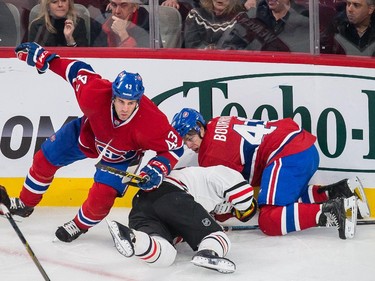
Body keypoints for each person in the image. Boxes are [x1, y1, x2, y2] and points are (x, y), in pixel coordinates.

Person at [8, 41, 184, 243]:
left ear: (138, 100)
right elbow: (75, 71)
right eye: (120, 101)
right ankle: (25, 204)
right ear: (113, 96)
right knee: (44, 159)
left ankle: (78, 225)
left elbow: (175, 147)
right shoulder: (95, 93)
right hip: (87, 134)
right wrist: (46, 58)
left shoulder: (152, 122)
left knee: (102, 198)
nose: (125, 108)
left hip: (123, 157)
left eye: (131, 103)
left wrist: (158, 168)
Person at [171, 108, 371, 239]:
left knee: (269, 220)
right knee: (285, 203)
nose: (190, 145)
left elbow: (242, 201)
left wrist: (219, 214)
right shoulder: (215, 123)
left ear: (199, 127)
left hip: (287, 153)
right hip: (304, 147)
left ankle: (335, 211)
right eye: (185, 140)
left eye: (191, 137)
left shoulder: (211, 156)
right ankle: (341, 191)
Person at [106, 165, 257, 273]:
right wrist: (244, 207)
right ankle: (208, 253)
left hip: (141, 206)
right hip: (171, 195)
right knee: (217, 236)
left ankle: (134, 238)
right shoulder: (217, 173)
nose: (233, 212)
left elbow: (182, 225)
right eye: (237, 211)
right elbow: (243, 197)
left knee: (166, 256)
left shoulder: (202, 204)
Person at [183, 0, 290, 50]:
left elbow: (244, 45)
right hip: (200, 65)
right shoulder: (196, 14)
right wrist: (210, 51)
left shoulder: (242, 17)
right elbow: (191, 46)